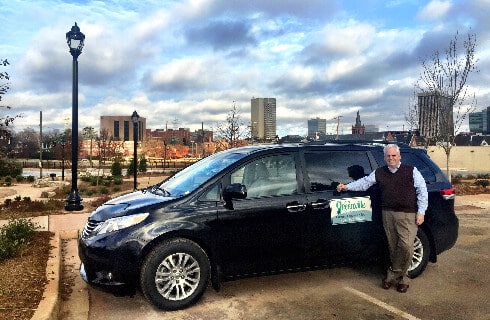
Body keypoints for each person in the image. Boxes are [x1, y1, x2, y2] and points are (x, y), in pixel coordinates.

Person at [336, 144, 428, 293]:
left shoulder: (411, 171)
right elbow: (364, 183)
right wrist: (347, 187)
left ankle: (394, 274)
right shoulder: (379, 172)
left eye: (394, 156)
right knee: (393, 247)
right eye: (388, 156)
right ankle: (399, 279)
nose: (391, 158)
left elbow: (422, 190)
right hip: (388, 213)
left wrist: (421, 212)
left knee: (406, 246)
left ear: (399, 157)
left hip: (407, 214)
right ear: (384, 157)